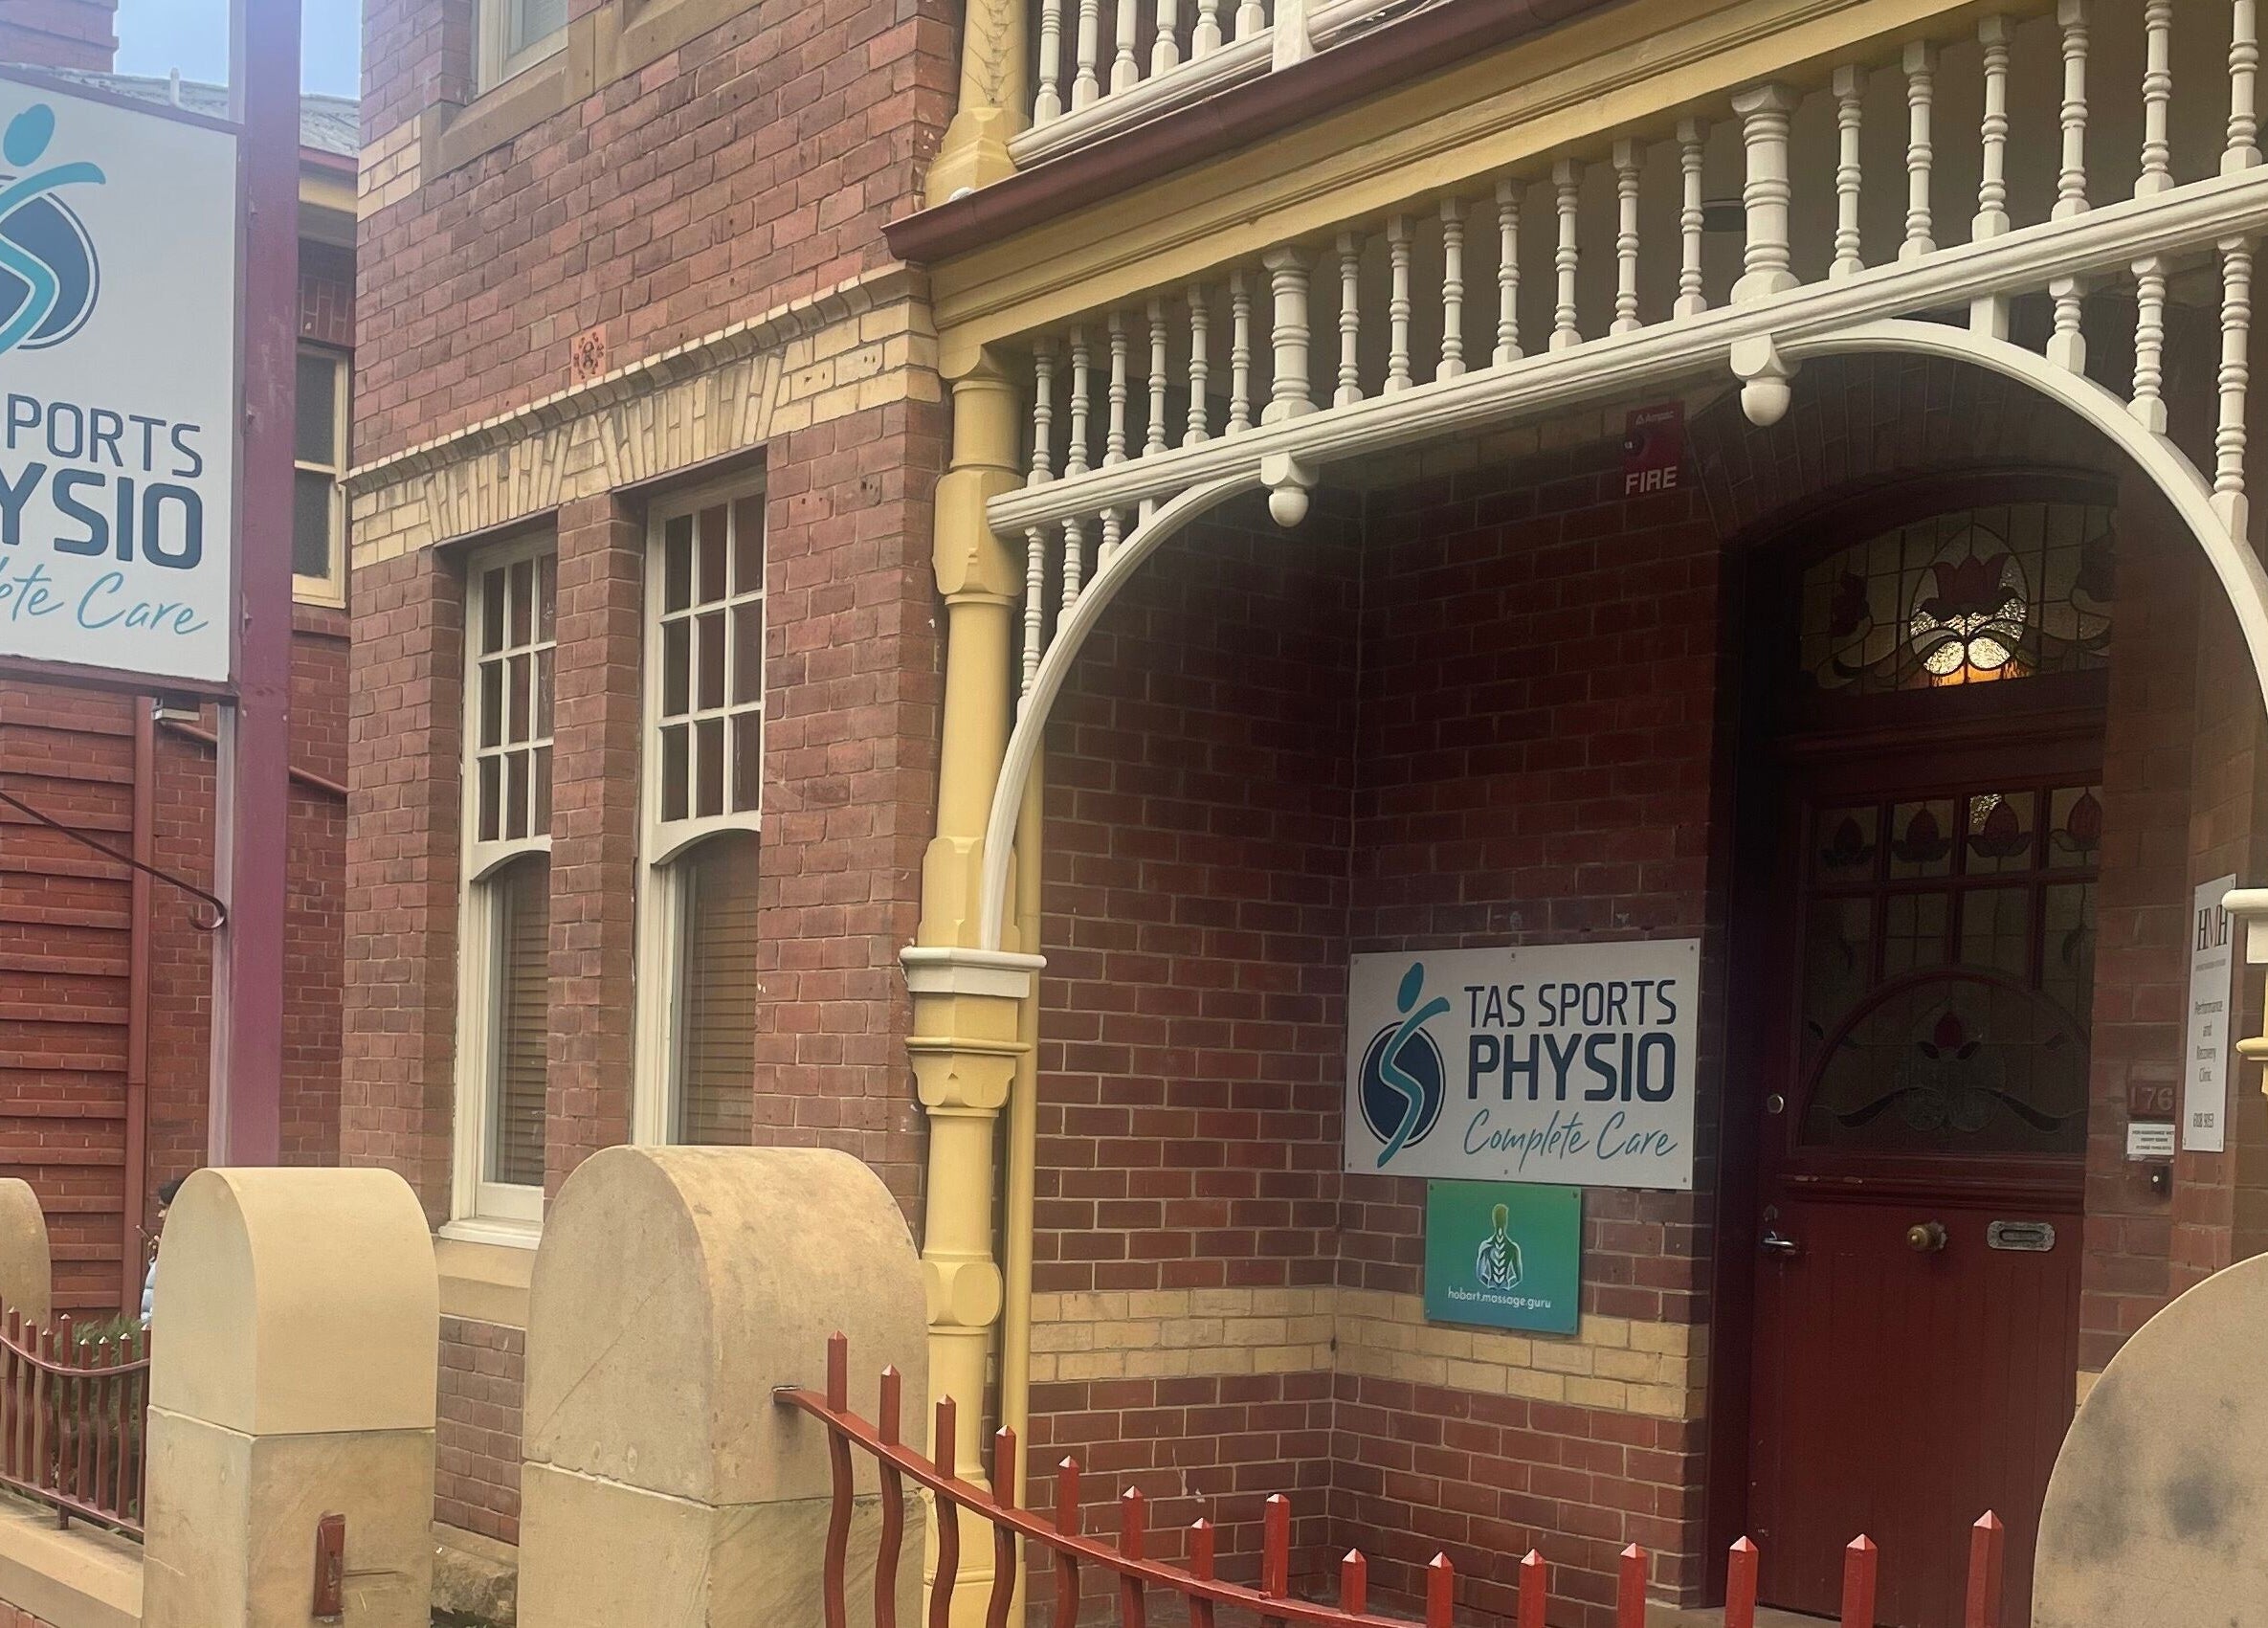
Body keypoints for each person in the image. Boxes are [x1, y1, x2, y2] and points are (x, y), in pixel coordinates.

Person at [140, 1176, 186, 1327]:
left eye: (164, 1208)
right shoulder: (173, 1243)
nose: (160, 1215)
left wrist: (167, 1258)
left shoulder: (188, 1247)